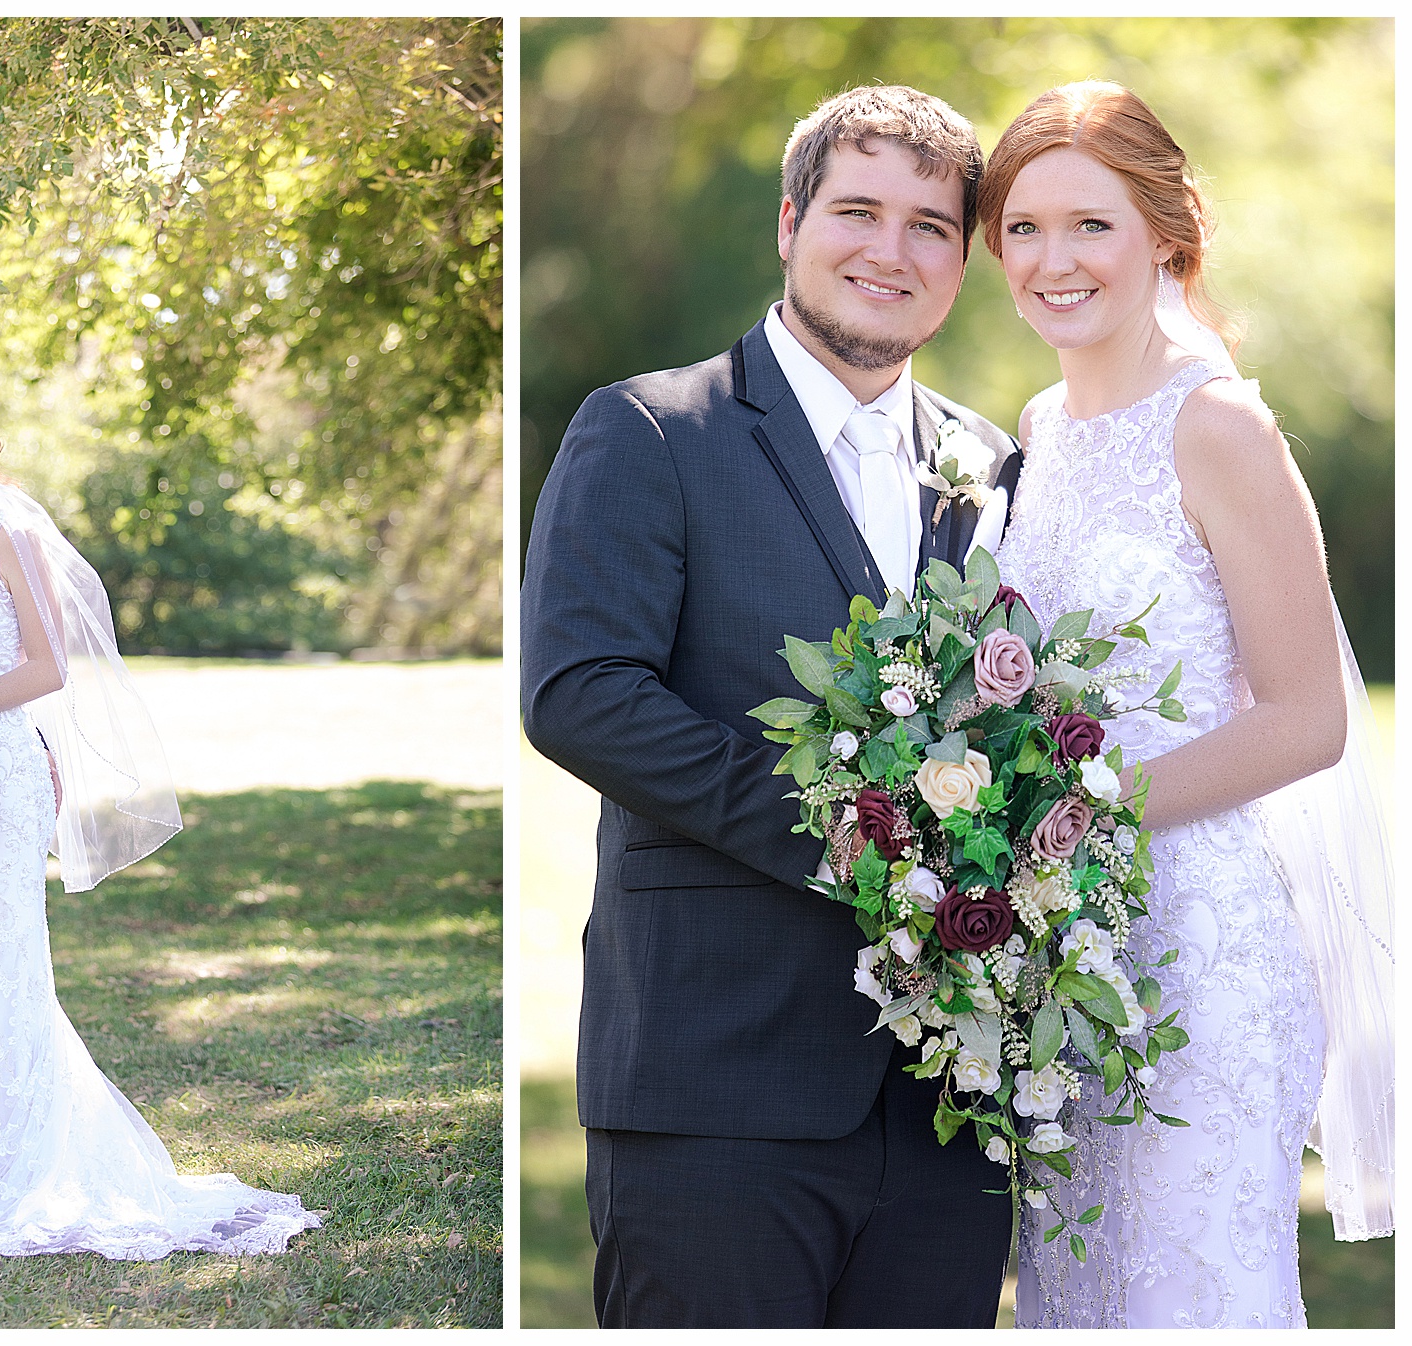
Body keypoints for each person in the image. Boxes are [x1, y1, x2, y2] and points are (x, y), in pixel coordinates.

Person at [521, 86, 1023, 1328]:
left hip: (948, 1098)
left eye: (929, 227)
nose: (888, 251)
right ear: (791, 222)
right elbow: (578, 693)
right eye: (857, 211)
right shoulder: (649, 427)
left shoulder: (993, 464)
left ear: (962, 261)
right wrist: (860, 839)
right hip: (714, 1072)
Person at [981, 80, 1394, 1327]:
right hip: (1065, 955)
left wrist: (1084, 820)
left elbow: (1308, 717)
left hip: (1203, 951)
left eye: (1091, 224)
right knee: (1078, 1285)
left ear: (1162, 233)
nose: (1054, 260)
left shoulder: (1218, 426)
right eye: (1022, 227)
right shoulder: (1036, 430)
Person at [0, 389, 321, 1258]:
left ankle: (23, 1160)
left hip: (0, 764)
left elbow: (46, 668)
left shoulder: (14, 538)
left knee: (2, 948)